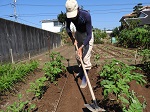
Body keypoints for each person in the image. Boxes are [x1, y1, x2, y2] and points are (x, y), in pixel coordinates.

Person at [65, 0, 94, 88]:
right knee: (78, 56)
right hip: (78, 33)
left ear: (78, 8)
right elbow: (67, 28)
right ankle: (81, 71)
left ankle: (85, 79)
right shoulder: (68, 16)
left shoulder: (86, 15)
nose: (72, 18)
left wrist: (81, 47)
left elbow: (89, 35)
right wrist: (72, 38)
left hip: (87, 35)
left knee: (85, 58)